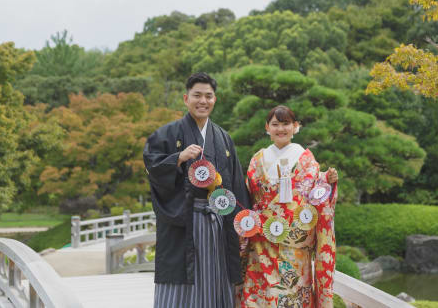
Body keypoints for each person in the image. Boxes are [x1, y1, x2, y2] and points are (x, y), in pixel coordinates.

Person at [143, 72, 251, 308]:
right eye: (197, 95)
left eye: (208, 96)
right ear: (185, 98)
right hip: (184, 220)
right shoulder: (167, 134)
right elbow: (152, 165)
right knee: (181, 282)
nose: (203, 101)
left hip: (218, 223)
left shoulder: (223, 138)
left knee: (216, 279)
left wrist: (245, 220)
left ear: (215, 100)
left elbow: (235, 183)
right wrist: (178, 158)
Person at [240, 105, 338, 308]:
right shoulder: (257, 159)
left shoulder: (306, 160)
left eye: (286, 124)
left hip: (294, 244)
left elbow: (314, 194)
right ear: (267, 127)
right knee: (258, 298)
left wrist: (327, 181)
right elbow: (248, 195)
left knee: (291, 296)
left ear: (295, 127)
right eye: (275, 124)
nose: (280, 129)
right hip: (261, 243)